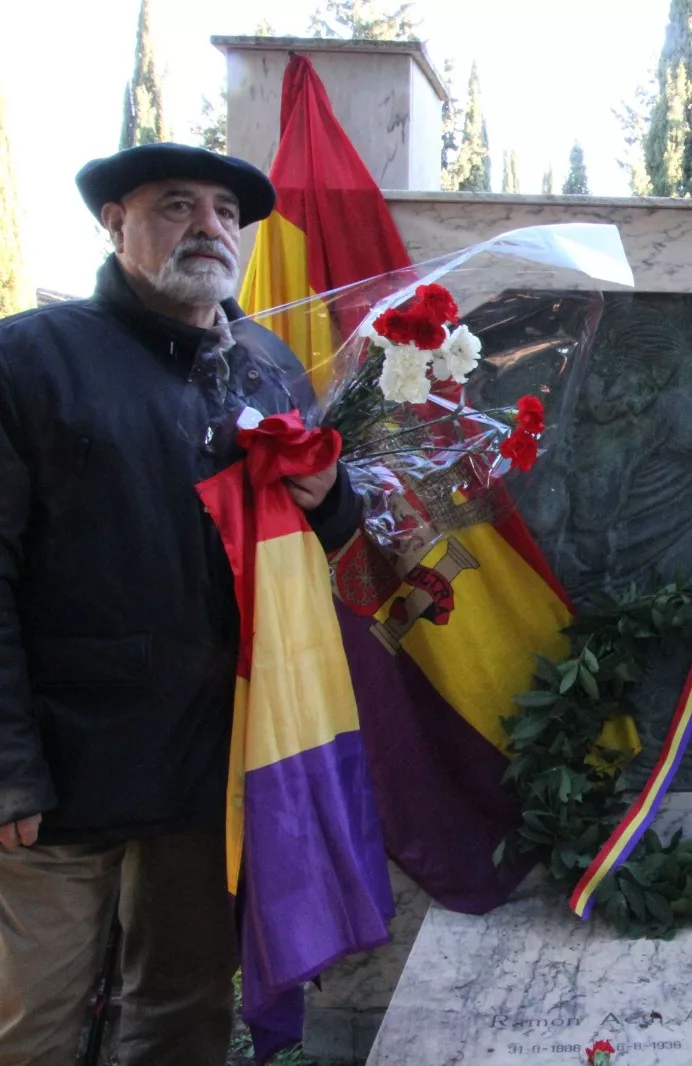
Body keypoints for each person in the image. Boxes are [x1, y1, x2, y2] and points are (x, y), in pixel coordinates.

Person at [0, 143, 362, 1065]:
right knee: (29, 1024)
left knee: (182, 1016)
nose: (208, 226)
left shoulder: (270, 369)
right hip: (57, 779)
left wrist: (335, 501)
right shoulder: (29, 360)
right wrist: (7, 767)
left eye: (224, 212)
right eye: (175, 206)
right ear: (114, 221)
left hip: (212, 766)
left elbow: (307, 555)